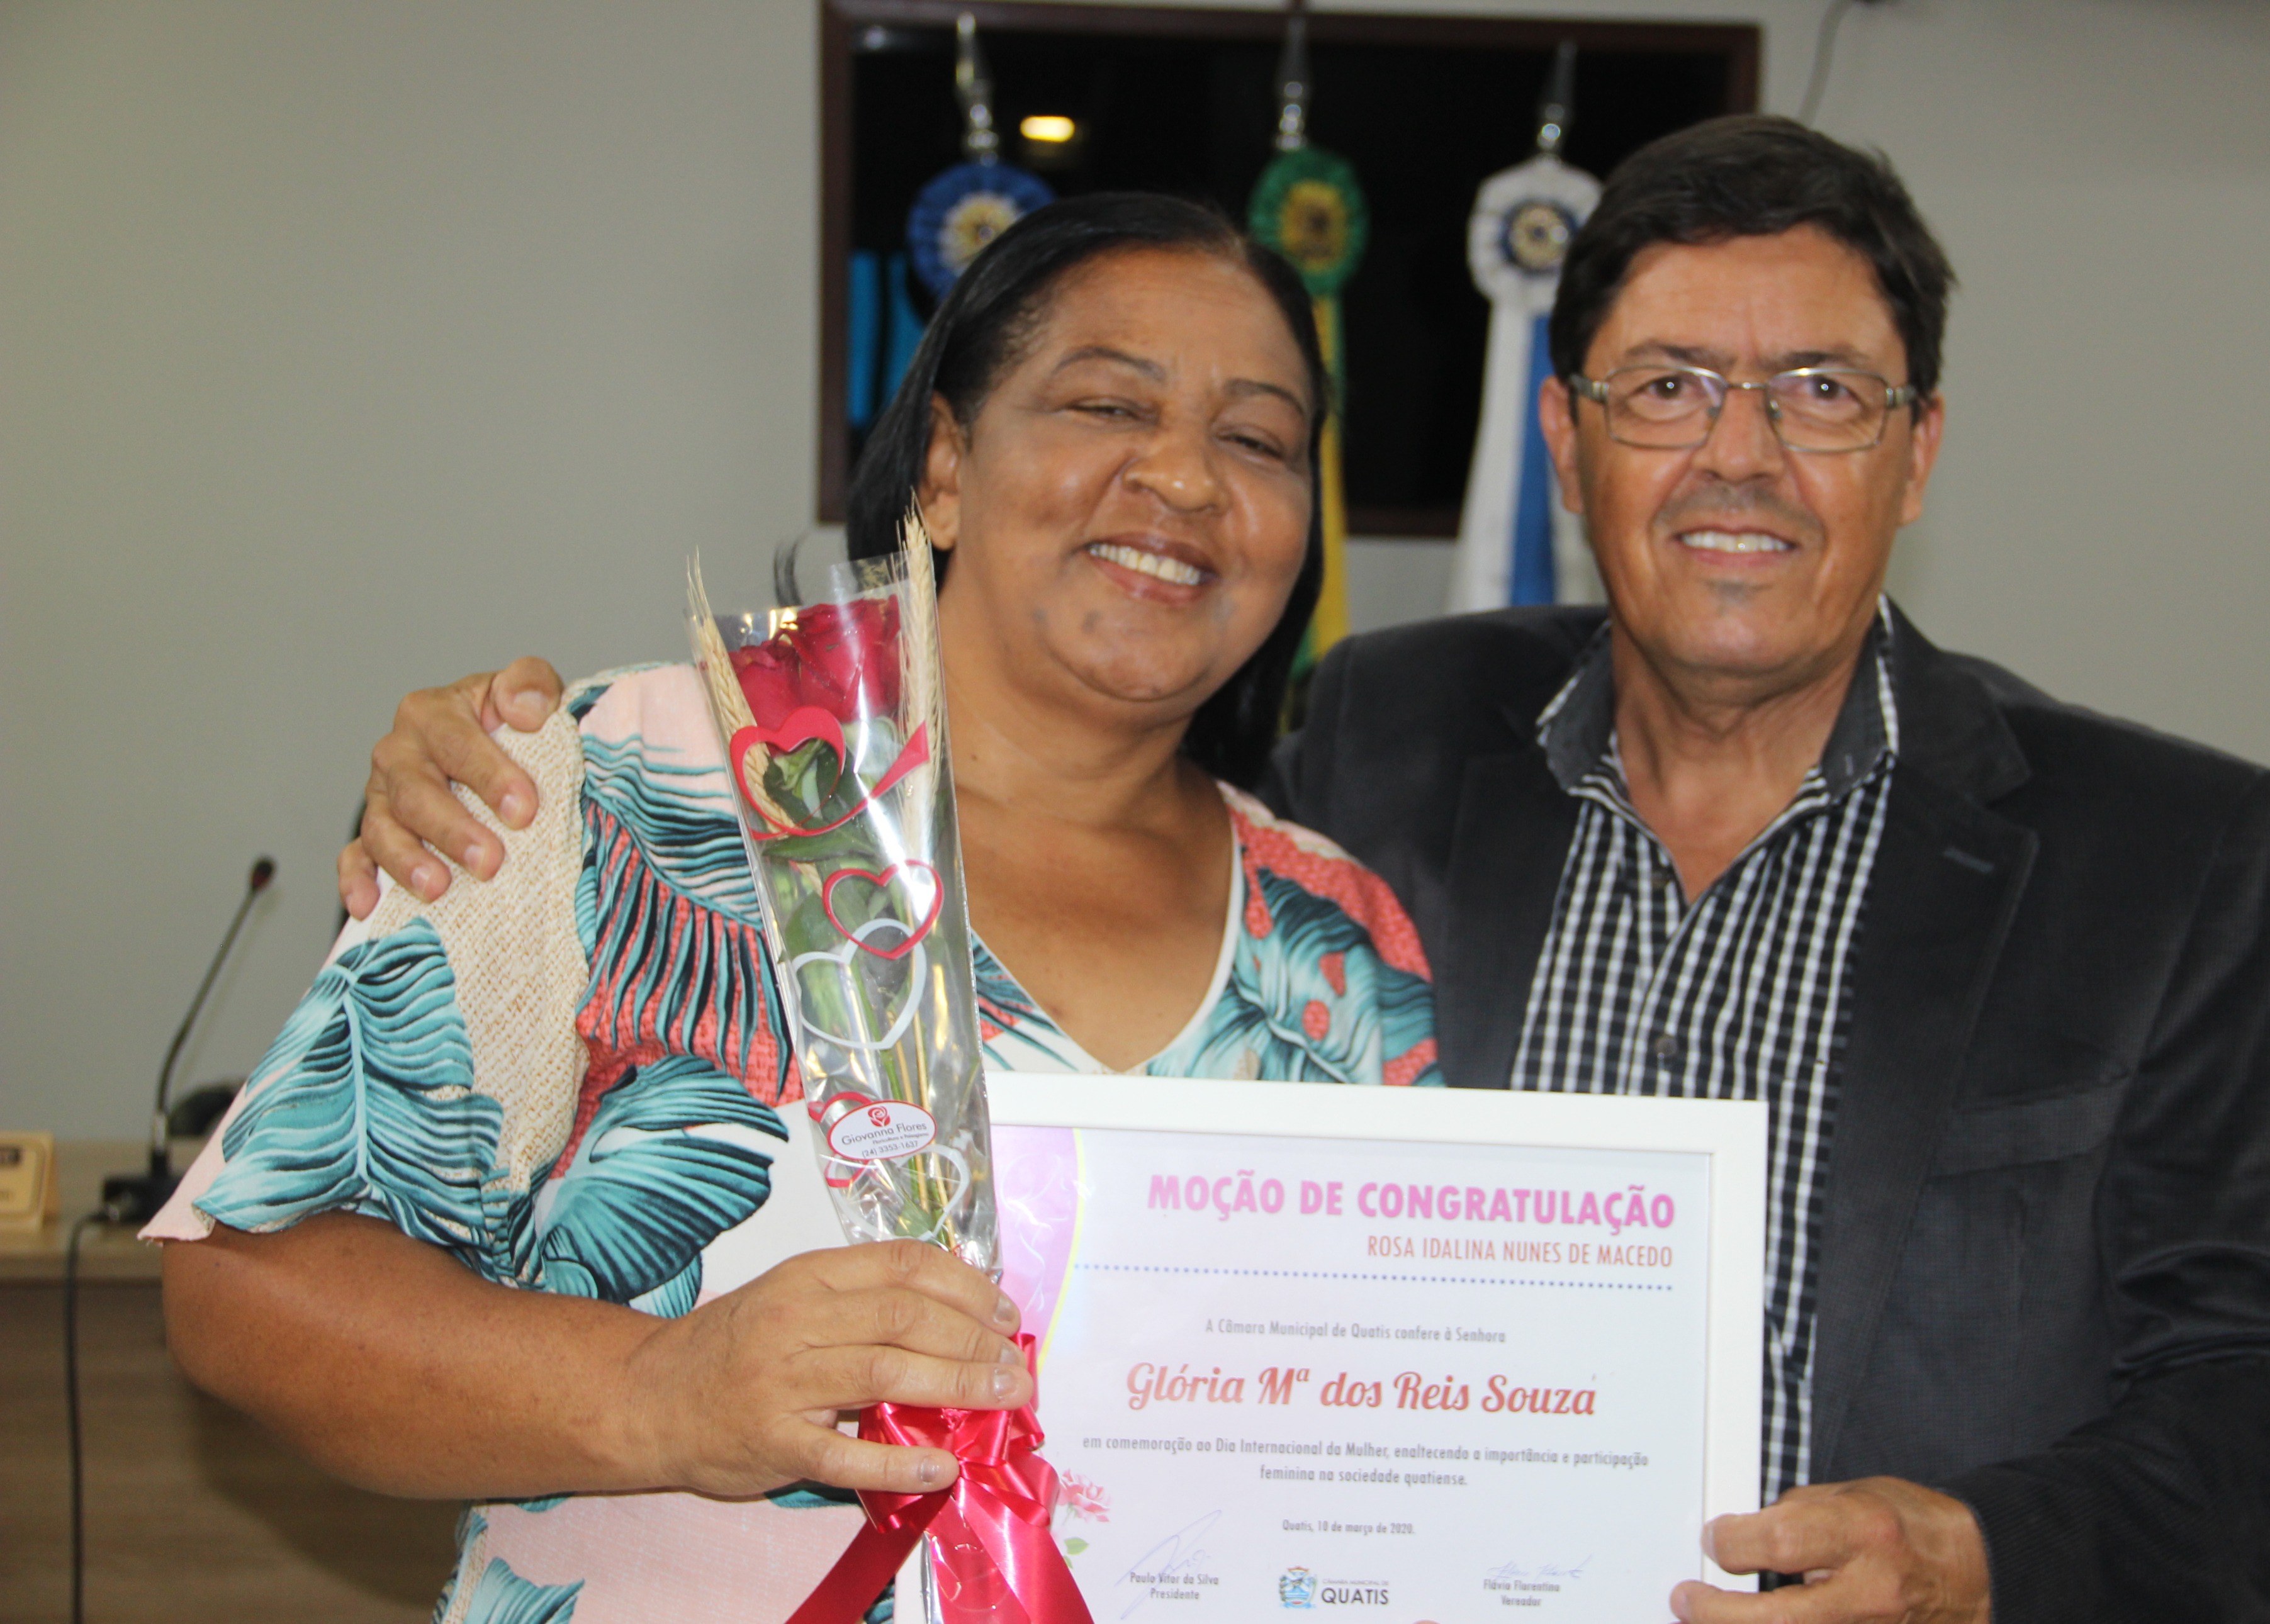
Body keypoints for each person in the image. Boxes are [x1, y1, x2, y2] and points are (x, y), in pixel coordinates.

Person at [353, 119, 2270, 1623]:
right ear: (1574, 444)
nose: (1741, 455)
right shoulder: (1389, 739)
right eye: (1670, 388)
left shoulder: (2174, 853)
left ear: (1918, 450)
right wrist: (508, 773)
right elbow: (1024, 786)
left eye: (1823, 394)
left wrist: (1982, 1558)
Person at [155, 193, 1442, 1624]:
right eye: (1106, 404)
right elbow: (248, 1287)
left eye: (1257, 439)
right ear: (945, 465)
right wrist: (659, 1393)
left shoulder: (1342, 940)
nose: (1186, 477)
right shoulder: (620, 777)